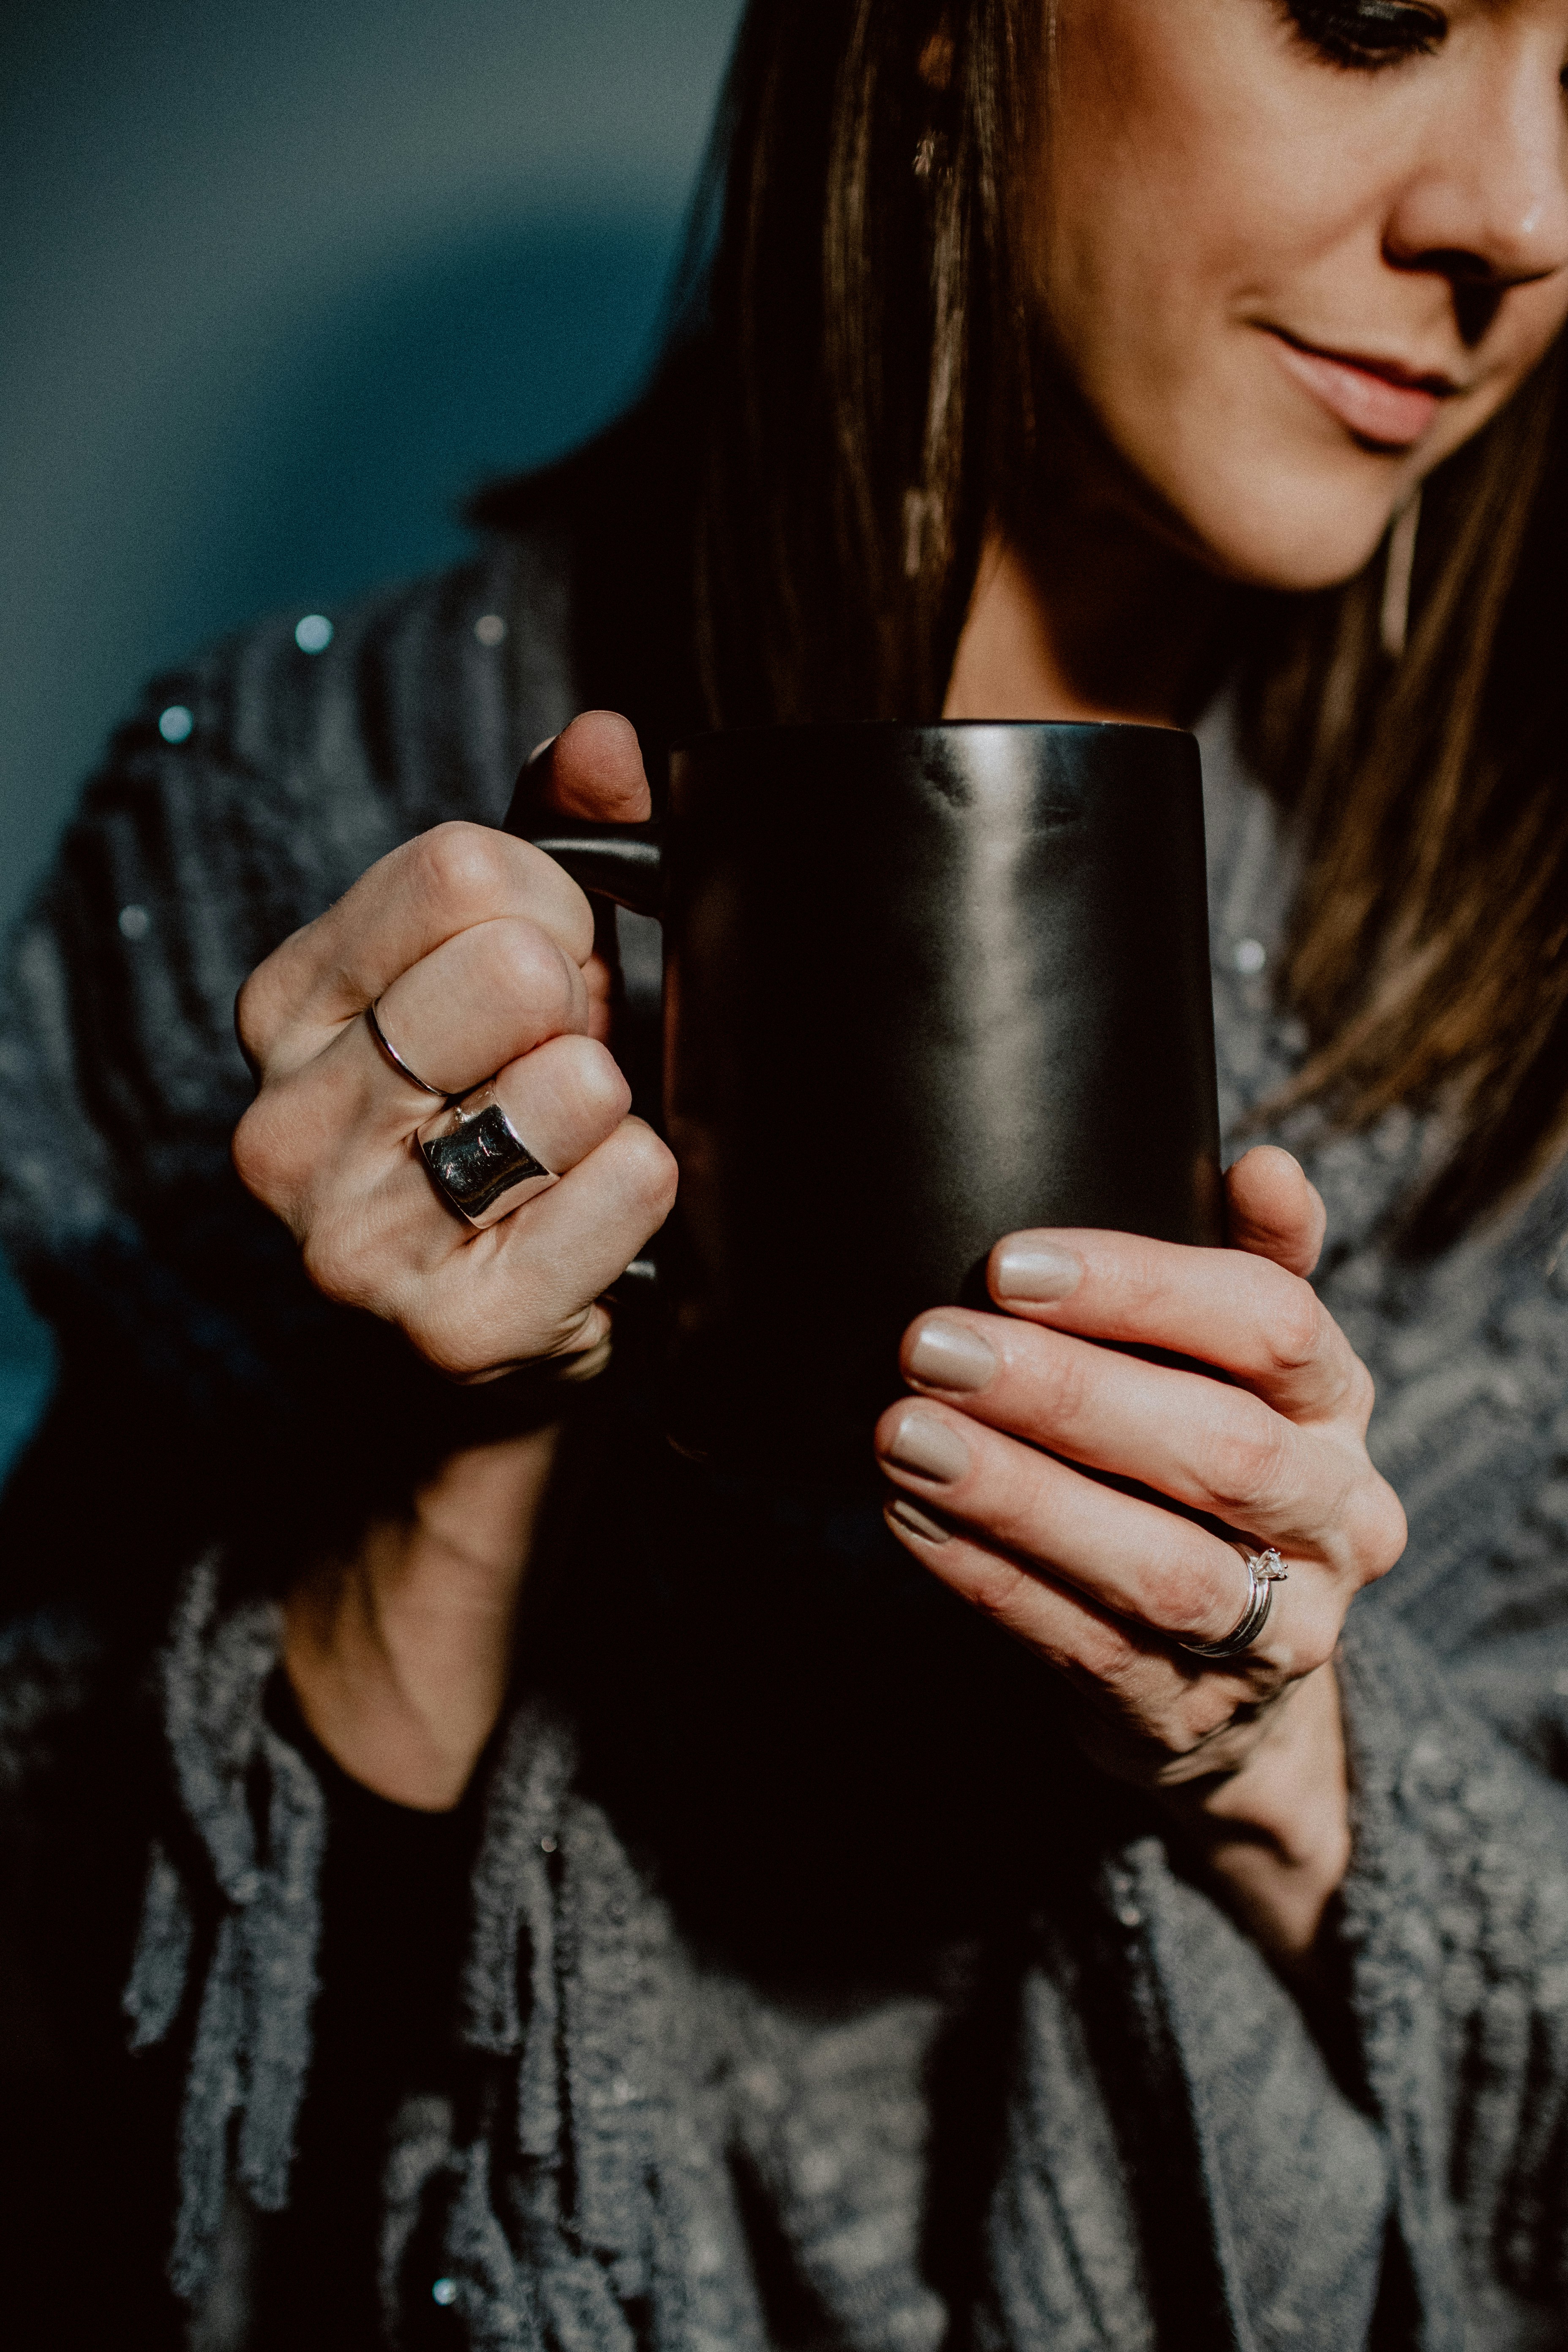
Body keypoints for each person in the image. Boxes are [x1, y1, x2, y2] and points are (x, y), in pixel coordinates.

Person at [3, 0, 1568, 2344]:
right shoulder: (300, 816)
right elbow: (97, 2133)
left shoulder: (1528, 940)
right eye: (1373, 20)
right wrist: (441, 1472)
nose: (1518, 224)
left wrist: (1281, 1757)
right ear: (947, 38)